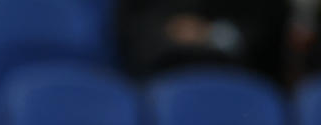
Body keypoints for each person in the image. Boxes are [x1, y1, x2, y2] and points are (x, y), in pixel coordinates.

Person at [116, 0, 290, 84]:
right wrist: (171, 32)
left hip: (239, 74)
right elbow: (134, 23)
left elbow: (267, 24)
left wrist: (213, 33)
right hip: (160, 71)